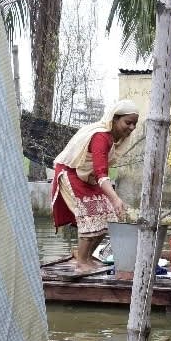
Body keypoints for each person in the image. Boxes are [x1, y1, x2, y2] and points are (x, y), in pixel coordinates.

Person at [52, 100, 140, 272]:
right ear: (114, 120)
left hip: (88, 176)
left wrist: (113, 201)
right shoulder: (101, 137)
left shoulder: (114, 138)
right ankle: (82, 262)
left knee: (109, 215)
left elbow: (100, 172)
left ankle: (86, 256)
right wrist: (115, 198)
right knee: (90, 215)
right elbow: (101, 173)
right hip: (71, 173)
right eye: (127, 123)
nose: (131, 128)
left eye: (134, 124)